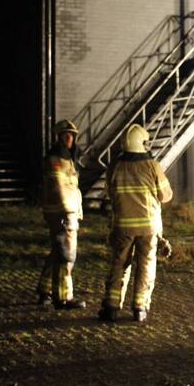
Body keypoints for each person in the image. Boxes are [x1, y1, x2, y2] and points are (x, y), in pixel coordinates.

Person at [98, 124, 173, 323]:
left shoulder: (115, 166)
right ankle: (140, 308)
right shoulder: (152, 166)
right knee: (146, 265)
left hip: (122, 226)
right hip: (148, 227)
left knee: (119, 264)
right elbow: (166, 195)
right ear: (142, 143)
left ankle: (111, 307)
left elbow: (109, 193)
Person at [36, 119, 85, 309]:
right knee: (67, 255)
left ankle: (45, 290)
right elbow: (58, 188)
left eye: (72, 135)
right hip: (63, 213)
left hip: (64, 212)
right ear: (58, 137)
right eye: (66, 135)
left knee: (58, 251)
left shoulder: (66, 158)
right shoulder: (56, 159)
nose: (69, 138)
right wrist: (67, 210)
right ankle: (64, 297)